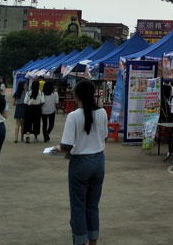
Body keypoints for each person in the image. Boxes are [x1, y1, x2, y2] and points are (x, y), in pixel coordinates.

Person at [56, 80, 108, 245]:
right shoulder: (102, 113)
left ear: (75, 95)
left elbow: (66, 145)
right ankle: (93, 241)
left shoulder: (73, 116)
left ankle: (79, 241)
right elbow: (105, 136)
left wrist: (57, 149)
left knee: (78, 206)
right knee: (92, 205)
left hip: (80, 163)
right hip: (98, 161)